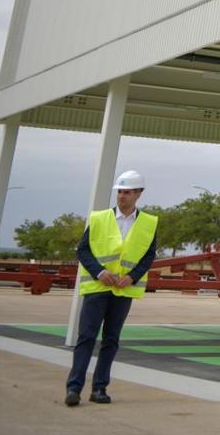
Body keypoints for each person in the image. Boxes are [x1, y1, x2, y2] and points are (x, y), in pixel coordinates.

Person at [66, 170, 159, 407]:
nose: (121, 196)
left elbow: (149, 256)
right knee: (86, 337)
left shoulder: (148, 223)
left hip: (123, 290)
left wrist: (132, 277)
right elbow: (83, 250)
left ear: (139, 194)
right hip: (98, 287)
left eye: (127, 192)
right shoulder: (99, 219)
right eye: (119, 192)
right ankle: (74, 388)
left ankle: (99, 389)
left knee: (111, 339)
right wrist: (99, 272)